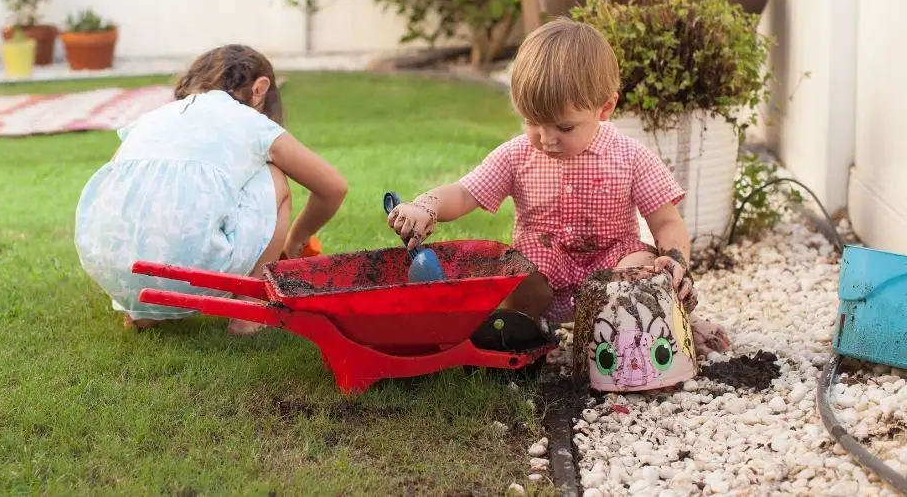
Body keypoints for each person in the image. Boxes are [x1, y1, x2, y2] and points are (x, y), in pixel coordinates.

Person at [386, 19, 730, 356]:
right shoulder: (517, 155)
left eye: (564, 127)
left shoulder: (630, 156)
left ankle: (663, 326)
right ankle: (522, 335)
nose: (546, 138)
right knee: (511, 272)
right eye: (533, 122)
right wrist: (425, 206)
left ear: (605, 108)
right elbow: (465, 193)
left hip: (611, 261)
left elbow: (666, 222)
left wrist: (673, 258)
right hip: (544, 268)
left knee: (643, 268)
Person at [74, 44, 348, 334]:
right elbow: (333, 187)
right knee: (274, 175)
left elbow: (115, 184)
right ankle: (248, 313)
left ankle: (143, 312)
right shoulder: (251, 122)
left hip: (109, 265)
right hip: (191, 271)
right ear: (260, 88)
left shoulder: (153, 118)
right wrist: (295, 240)